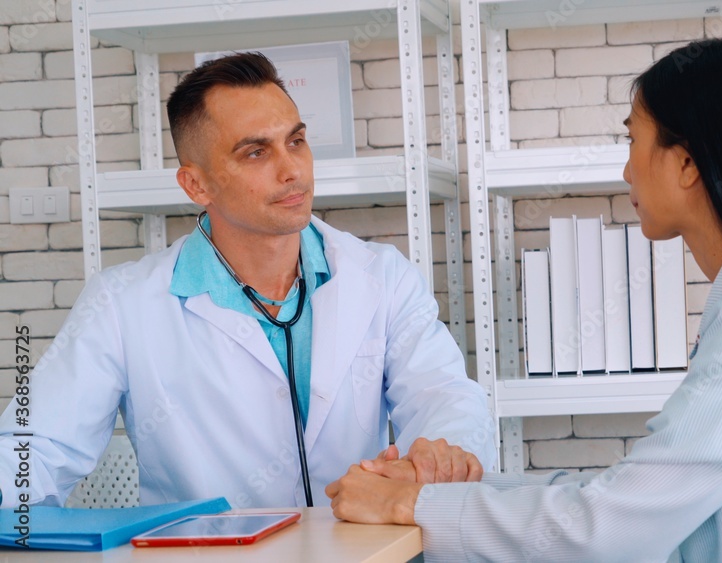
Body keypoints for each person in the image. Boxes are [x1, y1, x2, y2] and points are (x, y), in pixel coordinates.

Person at [325, 38, 722, 561]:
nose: (626, 171)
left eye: (633, 141)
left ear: (688, 164)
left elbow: (612, 526)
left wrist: (412, 502)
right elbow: (635, 493)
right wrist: (461, 488)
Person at [0, 52, 494, 509]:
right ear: (197, 184)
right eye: (256, 153)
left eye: (296, 142)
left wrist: (439, 451)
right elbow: (35, 450)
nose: (292, 170)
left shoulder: (382, 277)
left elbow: (442, 394)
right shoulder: (121, 305)